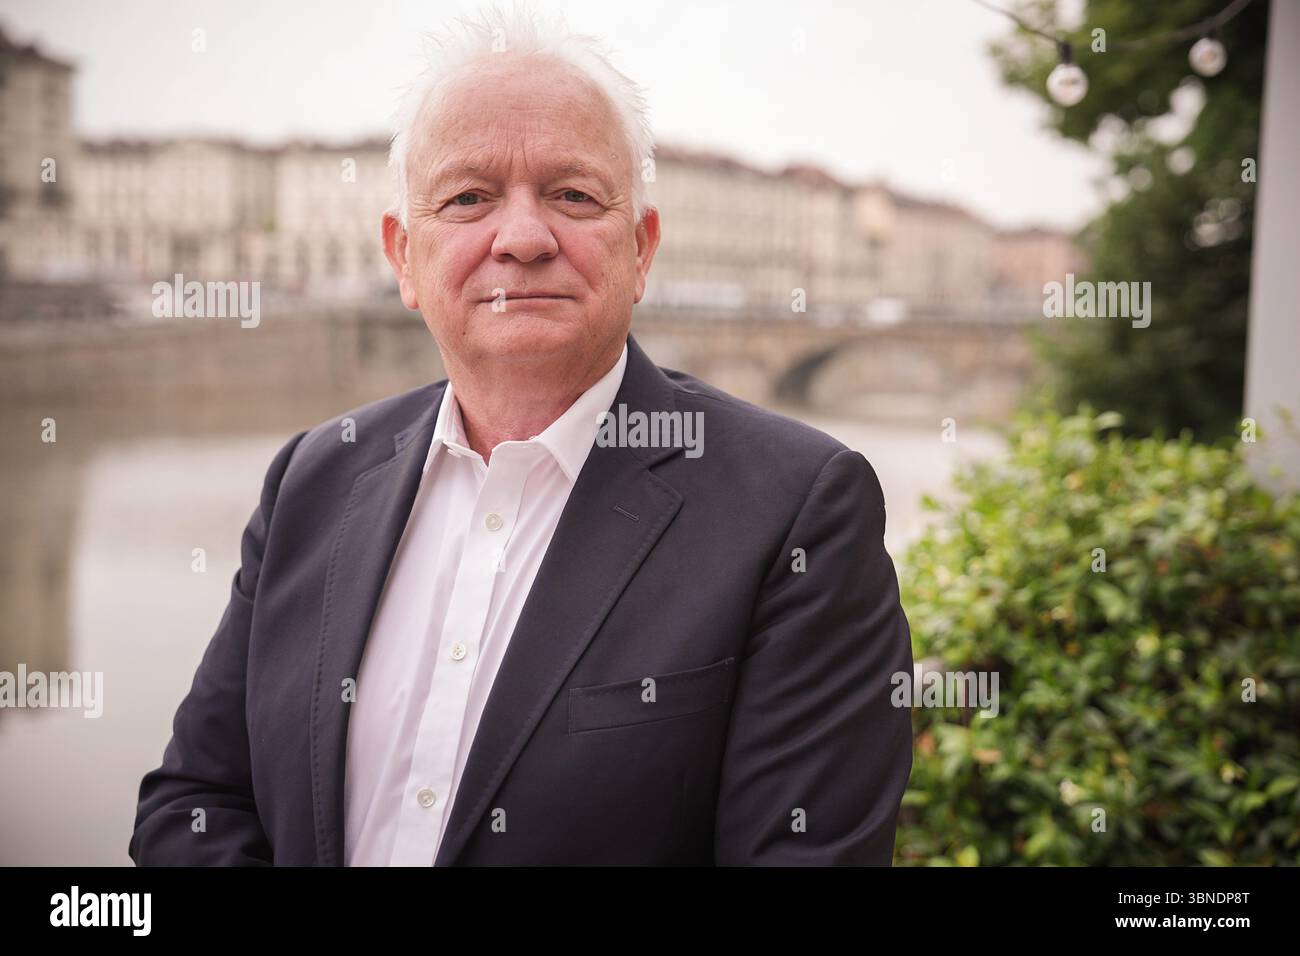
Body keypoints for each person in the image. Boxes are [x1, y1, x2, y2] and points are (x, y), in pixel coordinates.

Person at [129, 5, 913, 866]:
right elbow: (195, 804)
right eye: (468, 198)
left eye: (572, 196)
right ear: (403, 258)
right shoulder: (314, 478)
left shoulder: (798, 510)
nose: (523, 238)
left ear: (642, 250)